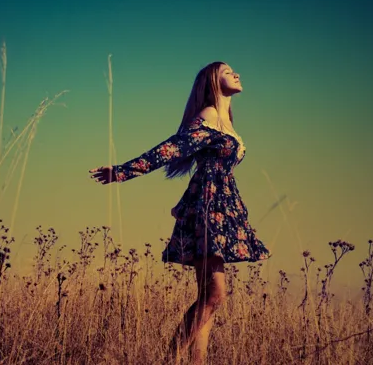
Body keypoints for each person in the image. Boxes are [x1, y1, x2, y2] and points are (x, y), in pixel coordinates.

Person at [89, 61, 271, 364]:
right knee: (215, 295)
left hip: (223, 209)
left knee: (207, 299)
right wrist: (121, 171)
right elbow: (169, 150)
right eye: (227, 72)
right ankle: (170, 358)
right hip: (208, 208)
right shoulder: (208, 117)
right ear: (212, 82)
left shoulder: (226, 121)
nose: (236, 74)